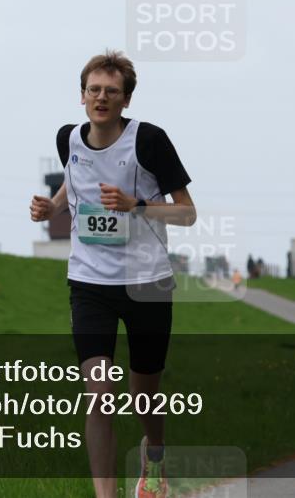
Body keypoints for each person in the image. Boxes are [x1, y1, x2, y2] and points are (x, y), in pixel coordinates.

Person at [29, 50, 195, 498]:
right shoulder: (69, 139)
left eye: (112, 92)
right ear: (81, 95)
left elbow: (187, 213)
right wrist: (53, 206)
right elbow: (73, 182)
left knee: (145, 393)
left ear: (126, 100)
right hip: (89, 283)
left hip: (147, 284)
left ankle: (154, 454)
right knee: (99, 393)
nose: (102, 98)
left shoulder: (149, 141)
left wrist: (136, 205)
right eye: (94, 90)